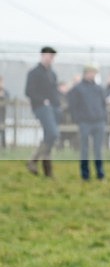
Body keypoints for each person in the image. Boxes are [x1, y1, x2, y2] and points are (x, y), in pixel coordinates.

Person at [67, 64, 107, 180]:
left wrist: (104, 117)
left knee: (98, 149)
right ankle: (85, 175)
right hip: (85, 122)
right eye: (91, 72)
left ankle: (100, 174)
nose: (92, 75)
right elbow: (72, 105)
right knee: (84, 149)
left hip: (98, 121)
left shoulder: (99, 88)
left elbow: (103, 104)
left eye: (94, 73)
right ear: (85, 73)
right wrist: (77, 119)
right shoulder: (78, 89)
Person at [25, 46, 60, 176]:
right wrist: (42, 100)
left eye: (52, 57)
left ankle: (47, 170)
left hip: (52, 108)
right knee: (52, 134)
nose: (51, 59)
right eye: (49, 56)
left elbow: (54, 92)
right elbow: (29, 91)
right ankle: (33, 160)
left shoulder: (52, 74)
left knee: (49, 136)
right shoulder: (34, 73)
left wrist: (57, 104)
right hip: (41, 107)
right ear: (43, 55)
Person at [0, 75, 8, 149]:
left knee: (3, 128)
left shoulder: (5, 92)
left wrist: (2, 96)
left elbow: (8, 98)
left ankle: (3, 145)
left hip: (2, 113)